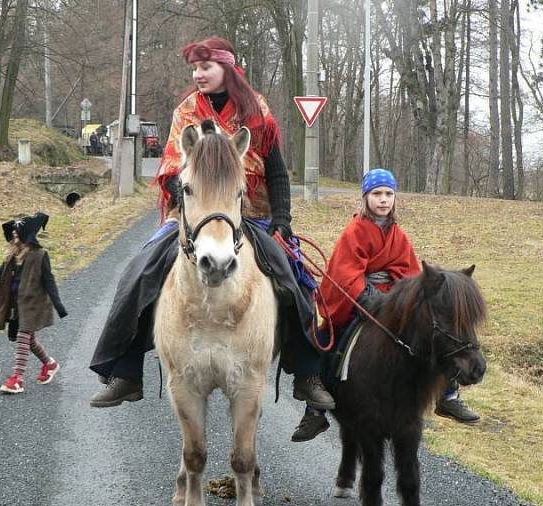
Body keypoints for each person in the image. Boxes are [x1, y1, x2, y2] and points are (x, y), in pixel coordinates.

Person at [88, 37, 334, 418]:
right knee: (140, 270)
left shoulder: (257, 111)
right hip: (192, 215)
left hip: (248, 213)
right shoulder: (186, 112)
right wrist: (188, 191)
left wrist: (282, 221)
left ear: (228, 69)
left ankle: (307, 373)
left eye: (206, 67)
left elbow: (277, 171)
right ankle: (126, 370)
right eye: (195, 68)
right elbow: (170, 171)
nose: (198, 74)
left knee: (294, 279)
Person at [293, 169, 480, 440]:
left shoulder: (398, 234)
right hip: (358, 300)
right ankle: (315, 411)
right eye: (377, 194)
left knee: (434, 332)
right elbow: (346, 273)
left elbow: (410, 272)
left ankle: (448, 393)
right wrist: (372, 299)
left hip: (393, 297)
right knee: (326, 339)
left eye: (389, 194)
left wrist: (404, 299)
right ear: (366, 197)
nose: (383, 200)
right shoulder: (354, 231)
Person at [0, 213, 67, 394]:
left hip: (33, 304)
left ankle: (17, 379)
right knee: (29, 340)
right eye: (13, 234)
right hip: (16, 304)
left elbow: (49, 281)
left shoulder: (40, 255)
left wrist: (58, 305)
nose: (14, 237)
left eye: (17, 234)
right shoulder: (13, 255)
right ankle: (50, 364)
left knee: (23, 337)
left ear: (26, 235)